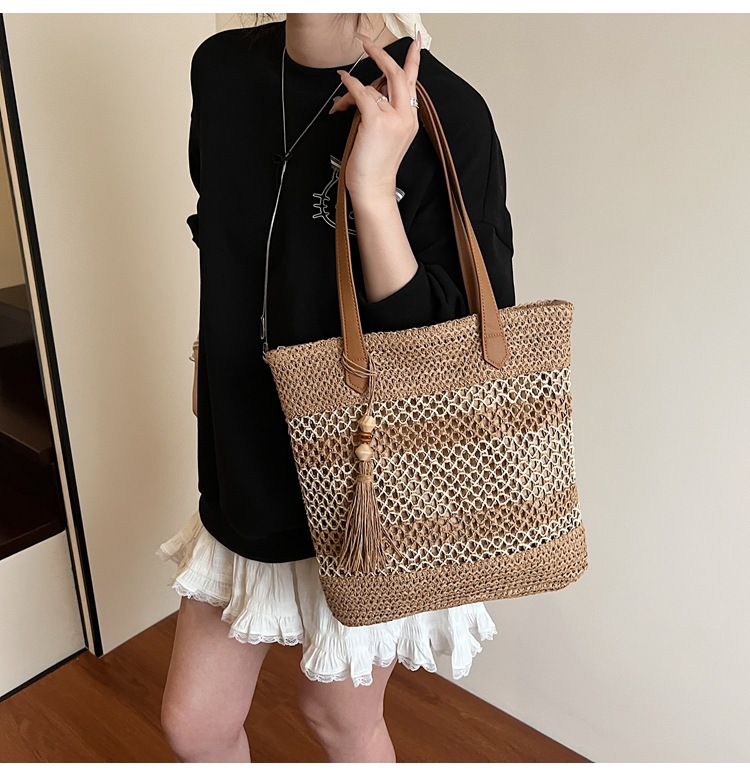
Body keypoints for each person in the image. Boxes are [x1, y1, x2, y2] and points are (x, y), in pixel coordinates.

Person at [156, 12, 515, 763]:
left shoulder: (446, 112)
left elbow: (458, 347)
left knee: (337, 718)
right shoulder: (222, 69)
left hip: (369, 489)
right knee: (194, 724)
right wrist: (208, 359)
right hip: (245, 459)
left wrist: (373, 191)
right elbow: (224, 233)